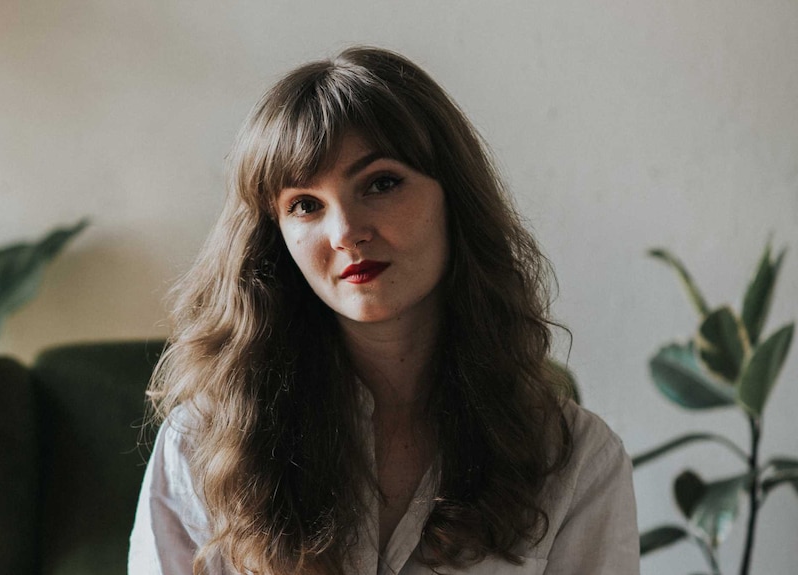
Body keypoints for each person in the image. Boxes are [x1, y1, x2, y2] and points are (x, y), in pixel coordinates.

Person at [129, 46, 639, 575]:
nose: (346, 231)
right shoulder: (204, 447)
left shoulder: (580, 460)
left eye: (381, 183)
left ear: (454, 198)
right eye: (305, 204)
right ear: (275, 237)